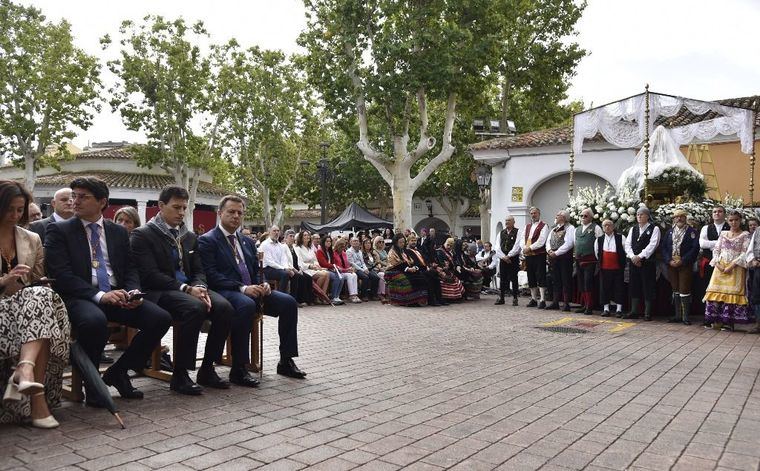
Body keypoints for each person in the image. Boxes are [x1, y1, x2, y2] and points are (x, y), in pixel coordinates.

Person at [45, 177, 171, 402]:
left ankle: (119, 372)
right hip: (80, 296)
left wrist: (133, 292)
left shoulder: (118, 232)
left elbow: (131, 268)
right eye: (74, 196)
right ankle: (93, 386)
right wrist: (101, 296)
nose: (76, 201)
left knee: (160, 318)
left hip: (117, 295)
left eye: (83, 197)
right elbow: (62, 276)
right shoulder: (59, 230)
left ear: (102, 202)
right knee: (94, 322)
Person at [130, 185, 232, 395]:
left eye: (185, 208)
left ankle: (207, 368)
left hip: (189, 289)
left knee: (224, 308)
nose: (181, 213)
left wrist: (200, 286)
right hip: (160, 291)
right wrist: (186, 288)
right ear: (160, 206)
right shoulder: (143, 235)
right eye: (176, 207)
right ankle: (181, 374)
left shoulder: (189, 236)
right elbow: (150, 275)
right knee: (194, 308)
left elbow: (199, 270)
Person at [198, 195, 305, 382]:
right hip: (226, 291)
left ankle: (286, 361)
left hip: (251, 289)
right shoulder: (208, 240)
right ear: (220, 213)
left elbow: (256, 270)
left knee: (288, 302)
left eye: (240, 213)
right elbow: (211, 275)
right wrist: (242, 288)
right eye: (231, 212)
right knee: (246, 305)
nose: (236, 216)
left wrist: (262, 282)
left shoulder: (246, 241)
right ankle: (239, 368)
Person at [0, 180, 70, 428]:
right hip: (4, 312)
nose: (15, 215)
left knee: (40, 296)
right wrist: (4, 280)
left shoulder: (31, 238)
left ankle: (24, 370)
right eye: (9, 209)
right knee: (41, 311)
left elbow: (38, 280)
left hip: (26, 307)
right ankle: (38, 403)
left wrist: (30, 284)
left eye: (20, 209)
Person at [704, 210, 752, 331]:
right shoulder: (723, 234)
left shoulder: (745, 235)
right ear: (727, 221)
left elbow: (744, 252)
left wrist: (732, 265)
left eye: (736, 220)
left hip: (736, 267)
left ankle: (728, 322)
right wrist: (717, 263)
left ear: (740, 220)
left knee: (731, 293)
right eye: (731, 220)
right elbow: (716, 250)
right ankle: (715, 320)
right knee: (715, 291)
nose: (734, 222)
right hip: (720, 266)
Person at [661, 209, 700, 325]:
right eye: (676, 217)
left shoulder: (692, 232)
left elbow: (694, 249)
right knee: (675, 289)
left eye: (681, 216)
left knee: (684, 289)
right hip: (672, 264)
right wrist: (669, 260)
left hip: (684, 264)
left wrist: (683, 260)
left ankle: (685, 316)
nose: (679, 219)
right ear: (673, 219)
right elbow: (664, 248)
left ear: (685, 218)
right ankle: (677, 315)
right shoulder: (669, 232)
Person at [623, 207, 661, 320]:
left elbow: (653, 245)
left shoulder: (654, 229)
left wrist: (640, 257)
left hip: (647, 262)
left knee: (648, 286)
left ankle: (647, 313)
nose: (639, 216)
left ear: (648, 216)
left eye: (642, 214)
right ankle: (634, 311)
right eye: (638, 214)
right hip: (634, 262)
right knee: (634, 285)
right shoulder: (633, 229)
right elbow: (627, 244)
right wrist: (633, 257)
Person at [699, 206, 729, 326]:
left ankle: (723, 318)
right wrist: (719, 243)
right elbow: (702, 243)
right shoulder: (706, 228)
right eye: (715, 212)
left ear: (724, 214)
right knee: (708, 289)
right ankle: (708, 318)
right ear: (712, 215)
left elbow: (731, 244)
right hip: (709, 264)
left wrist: (711, 244)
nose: (717, 214)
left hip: (725, 265)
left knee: (724, 290)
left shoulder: (730, 226)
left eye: (720, 211)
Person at [517, 207, 549, 308]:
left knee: (540, 275)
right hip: (528, 255)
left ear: (539, 214)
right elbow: (522, 239)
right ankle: (534, 299)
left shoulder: (544, 226)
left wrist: (530, 248)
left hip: (539, 254)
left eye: (535, 213)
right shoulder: (527, 226)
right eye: (531, 213)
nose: (533, 215)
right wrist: (524, 247)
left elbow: (541, 240)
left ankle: (543, 299)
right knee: (531, 276)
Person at [385, 233, 429, 306]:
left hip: (404, 269)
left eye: (403, 242)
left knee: (420, 276)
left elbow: (411, 261)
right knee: (408, 279)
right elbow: (396, 264)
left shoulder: (403, 251)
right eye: (400, 242)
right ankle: (409, 301)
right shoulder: (392, 251)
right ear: (396, 242)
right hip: (393, 271)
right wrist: (408, 269)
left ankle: (418, 300)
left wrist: (414, 267)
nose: (402, 244)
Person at [574, 208, 603, 314]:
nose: (583, 217)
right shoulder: (577, 229)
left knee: (588, 283)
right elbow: (575, 242)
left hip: (590, 260)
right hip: (579, 259)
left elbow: (600, 243)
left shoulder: (596, 228)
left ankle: (590, 306)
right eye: (581, 216)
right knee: (581, 283)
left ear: (591, 217)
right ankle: (584, 304)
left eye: (585, 216)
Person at [595, 220, 626, 317]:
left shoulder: (621, 237)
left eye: (609, 225)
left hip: (618, 267)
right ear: (602, 227)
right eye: (605, 225)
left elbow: (625, 250)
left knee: (619, 288)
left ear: (613, 227)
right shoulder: (599, 240)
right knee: (604, 288)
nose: (607, 227)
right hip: (604, 268)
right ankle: (606, 309)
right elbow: (597, 253)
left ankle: (619, 310)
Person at [546, 210, 575, 312]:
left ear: (563, 217)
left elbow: (569, 243)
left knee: (565, 280)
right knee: (556, 280)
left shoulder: (570, 228)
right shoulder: (554, 229)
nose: (556, 217)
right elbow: (548, 241)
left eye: (558, 215)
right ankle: (555, 302)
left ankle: (566, 303)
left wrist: (556, 253)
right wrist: (549, 250)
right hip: (554, 258)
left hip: (564, 258)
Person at [294, 230, 331, 304]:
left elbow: (315, 259)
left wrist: (316, 265)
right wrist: (310, 266)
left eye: (308, 235)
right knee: (323, 275)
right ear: (301, 237)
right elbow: (300, 263)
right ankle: (316, 296)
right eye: (305, 235)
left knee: (327, 273)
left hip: (313, 268)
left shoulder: (310, 248)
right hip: (305, 269)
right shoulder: (298, 248)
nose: (307, 237)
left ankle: (321, 296)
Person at [407, 234, 444, 306]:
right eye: (412, 241)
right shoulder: (407, 251)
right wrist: (424, 267)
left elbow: (425, 260)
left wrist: (428, 266)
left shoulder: (418, 250)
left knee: (435, 274)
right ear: (408, 242)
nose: (414, 242)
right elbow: (413, 262)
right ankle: (432, 300)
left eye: (415, 240)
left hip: (424, 268)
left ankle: (439, 299)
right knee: (430, 276)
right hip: (417, 270)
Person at [260, 226, 295, 292]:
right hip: (267, 269)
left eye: (278, 231)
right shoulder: (265, 244)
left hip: (278, 268)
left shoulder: (280, 245)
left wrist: (287, 268)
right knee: (285, 274)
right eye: (274, 231)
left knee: (294, 275)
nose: (276, 232)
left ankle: (293, 298)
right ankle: (281, 296)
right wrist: (284, 269)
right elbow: (270, 262)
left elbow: (283, 259)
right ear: (269, 232)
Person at [283, 229, 313, 307]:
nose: (292, 238)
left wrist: (299, 269)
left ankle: (308, 300)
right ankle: (295, 300)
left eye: (293, 236)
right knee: (298, 277)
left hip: (296, 268)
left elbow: (298, 260)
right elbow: (285, 261)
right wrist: (293, 269)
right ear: (285, 238)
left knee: (308, 277)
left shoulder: (294, 248)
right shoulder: (284, 247)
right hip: (288, 268)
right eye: (290, 236)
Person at [495, 216, 520, 306]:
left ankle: (515, 298)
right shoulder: (501, 233)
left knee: (514, 278)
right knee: (502, 278)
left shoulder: (518, 232)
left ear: (513, 222)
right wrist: (503, 257)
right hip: (503, 259)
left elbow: (517, 246)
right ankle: (501, 297)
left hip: (513, 259)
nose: (507, 222)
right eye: (506, 220)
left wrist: (509, 256)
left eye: (509, 220)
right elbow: (497, 246)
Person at [315, 235, 346, 305]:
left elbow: (332, 262)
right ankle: (333, 296)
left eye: (330, 241)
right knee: (336, 277)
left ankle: (337, 296)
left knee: (342, 277)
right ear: (323, 242)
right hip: (324, 269)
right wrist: (334, 267)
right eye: (327, 241)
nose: (329, 243)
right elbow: (323, 263)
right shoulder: (320, 251)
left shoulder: (330, 251)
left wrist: (335, 267)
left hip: (331, 269)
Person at [347, 237, 379, 301]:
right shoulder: (349, 251)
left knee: (376, 277)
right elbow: (352, 263)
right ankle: (364, 295)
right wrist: (363, 270)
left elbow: (362, 262)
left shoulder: (359, 251)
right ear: (351, 242)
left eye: (357, 241)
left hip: (363, 268)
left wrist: (365, 269)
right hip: (355, 269)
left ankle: (373, 295)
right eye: (354, 241)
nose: (356, 242)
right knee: (365, 277)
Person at [436, 237, 465, 301]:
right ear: (445, 243)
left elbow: (456, 260)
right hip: (443, 270)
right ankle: (448, 297)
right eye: (448, 245)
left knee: (462, 273)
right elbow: (441, 263)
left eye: (451, 246)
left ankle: (457, 296)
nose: (449, 247)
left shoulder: (452, 252)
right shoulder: (439, 251)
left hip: (452, 269)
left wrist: (458, 265)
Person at [333, 238, 361, 303]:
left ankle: (355, 295)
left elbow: (346, 264)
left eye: (344, 246)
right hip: (339, 272)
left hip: (345, 271)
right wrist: (346, 270)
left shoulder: (344, 253)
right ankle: (351, 295)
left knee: (354, 275)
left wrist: (350, 268)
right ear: (337, 246)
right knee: (350, 276)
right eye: (341, 246)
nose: (343, 248)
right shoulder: (334, 254)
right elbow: (337, 267)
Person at [362, 237, 386, 301]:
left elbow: (377, 262)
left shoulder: (372, 253)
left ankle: (374, 294)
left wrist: (379, 267)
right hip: (366, 269)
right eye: (366, 243)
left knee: (377, 276)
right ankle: (368, 295)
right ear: (363, 245)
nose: (368, 244)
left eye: (369, 243)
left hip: (373, 269)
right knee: (375, 277)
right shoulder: (362, 253)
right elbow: (363, 263)